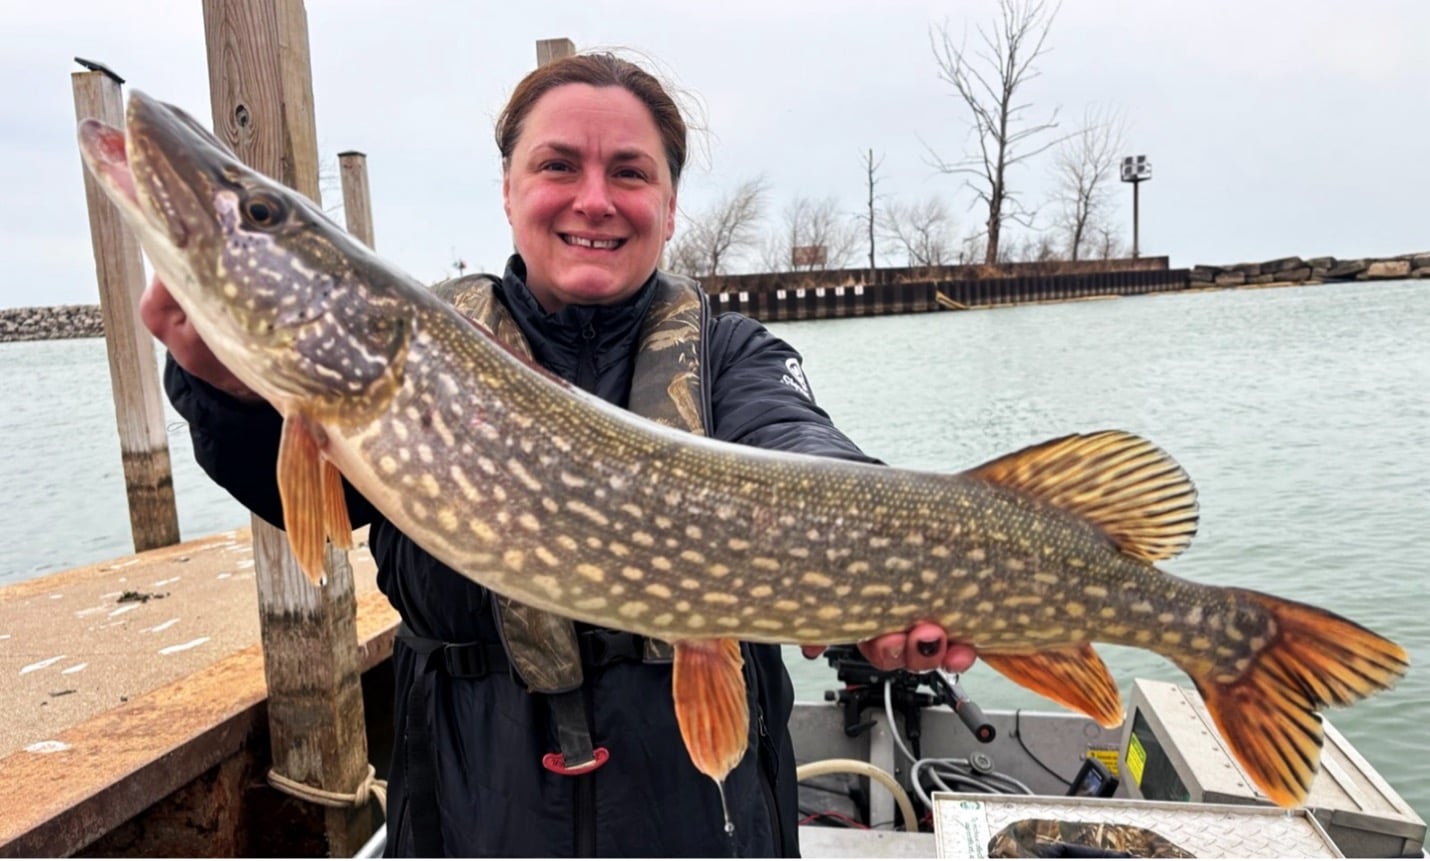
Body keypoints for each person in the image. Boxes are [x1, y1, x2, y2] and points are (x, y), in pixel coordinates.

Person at [142, 52, 975, 857]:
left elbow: (802, 443)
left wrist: (899, 575)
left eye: (631, 172)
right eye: (558, 166)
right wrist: (226, 390)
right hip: (473, 810)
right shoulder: (410, 361)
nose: (595, 199)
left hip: (695, 822)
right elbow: (296, 492)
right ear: (509, 191)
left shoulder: (730, 357)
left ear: (671, 204)